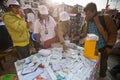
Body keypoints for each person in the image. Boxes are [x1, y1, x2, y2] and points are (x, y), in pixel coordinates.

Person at [83, 2, 117, 80]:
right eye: (86, 14)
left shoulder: (105, 18)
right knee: (93, 62)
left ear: (94, 11)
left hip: (104, 47)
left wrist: (109, 46)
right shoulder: (87, 20)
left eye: (88, 13)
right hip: (93, 47)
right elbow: (86, 33)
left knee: (103, 63)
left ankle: (102, 77)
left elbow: (113, 33)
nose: (86, 16)